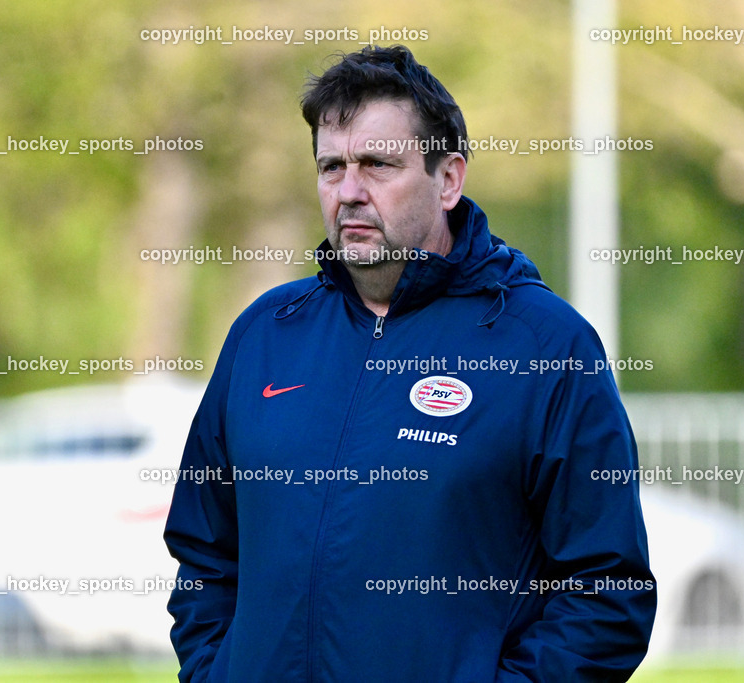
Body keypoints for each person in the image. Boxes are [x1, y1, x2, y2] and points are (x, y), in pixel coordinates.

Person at [164, 44, 656, 682]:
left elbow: (608, 592)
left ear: (448, 179)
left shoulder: (546, 348)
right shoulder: (264, 335)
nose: (349, 192)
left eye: (377, 165)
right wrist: (217, 671)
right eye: (332, 167)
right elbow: (204, 554)